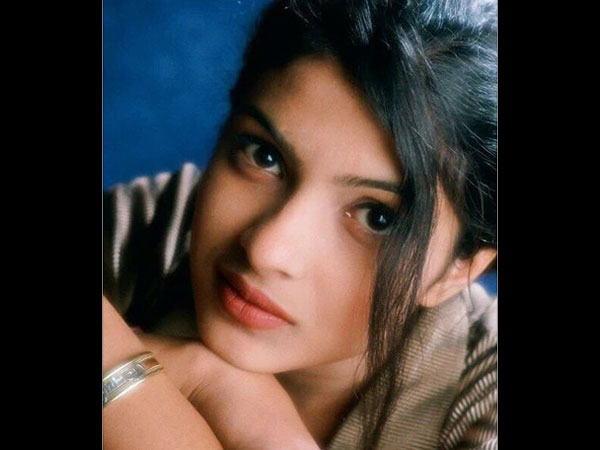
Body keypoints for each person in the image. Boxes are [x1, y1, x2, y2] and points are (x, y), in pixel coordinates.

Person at [102, 0, 498, 449]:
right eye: (264, 156)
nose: (267, 249)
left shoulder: (486, 400)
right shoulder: (157, 225)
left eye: (377, 217)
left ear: (457, 271)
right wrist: (219, 387)